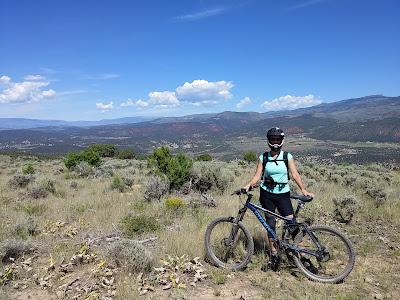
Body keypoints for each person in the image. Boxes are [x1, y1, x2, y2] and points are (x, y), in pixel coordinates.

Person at [243, 127, 317, 273]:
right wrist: (248, 184)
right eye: (273, 139)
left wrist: (303, 189)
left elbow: (295, 174)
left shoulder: (287, 156)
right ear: (269, 140)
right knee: (270, 226)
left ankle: (303, 258)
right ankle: (274, 256)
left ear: (281, 140)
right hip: (266, 195)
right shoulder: (263, 157)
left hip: (283, 195)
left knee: (292, 225)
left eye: (277, 139)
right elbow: (257, 175)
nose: (275, 142)